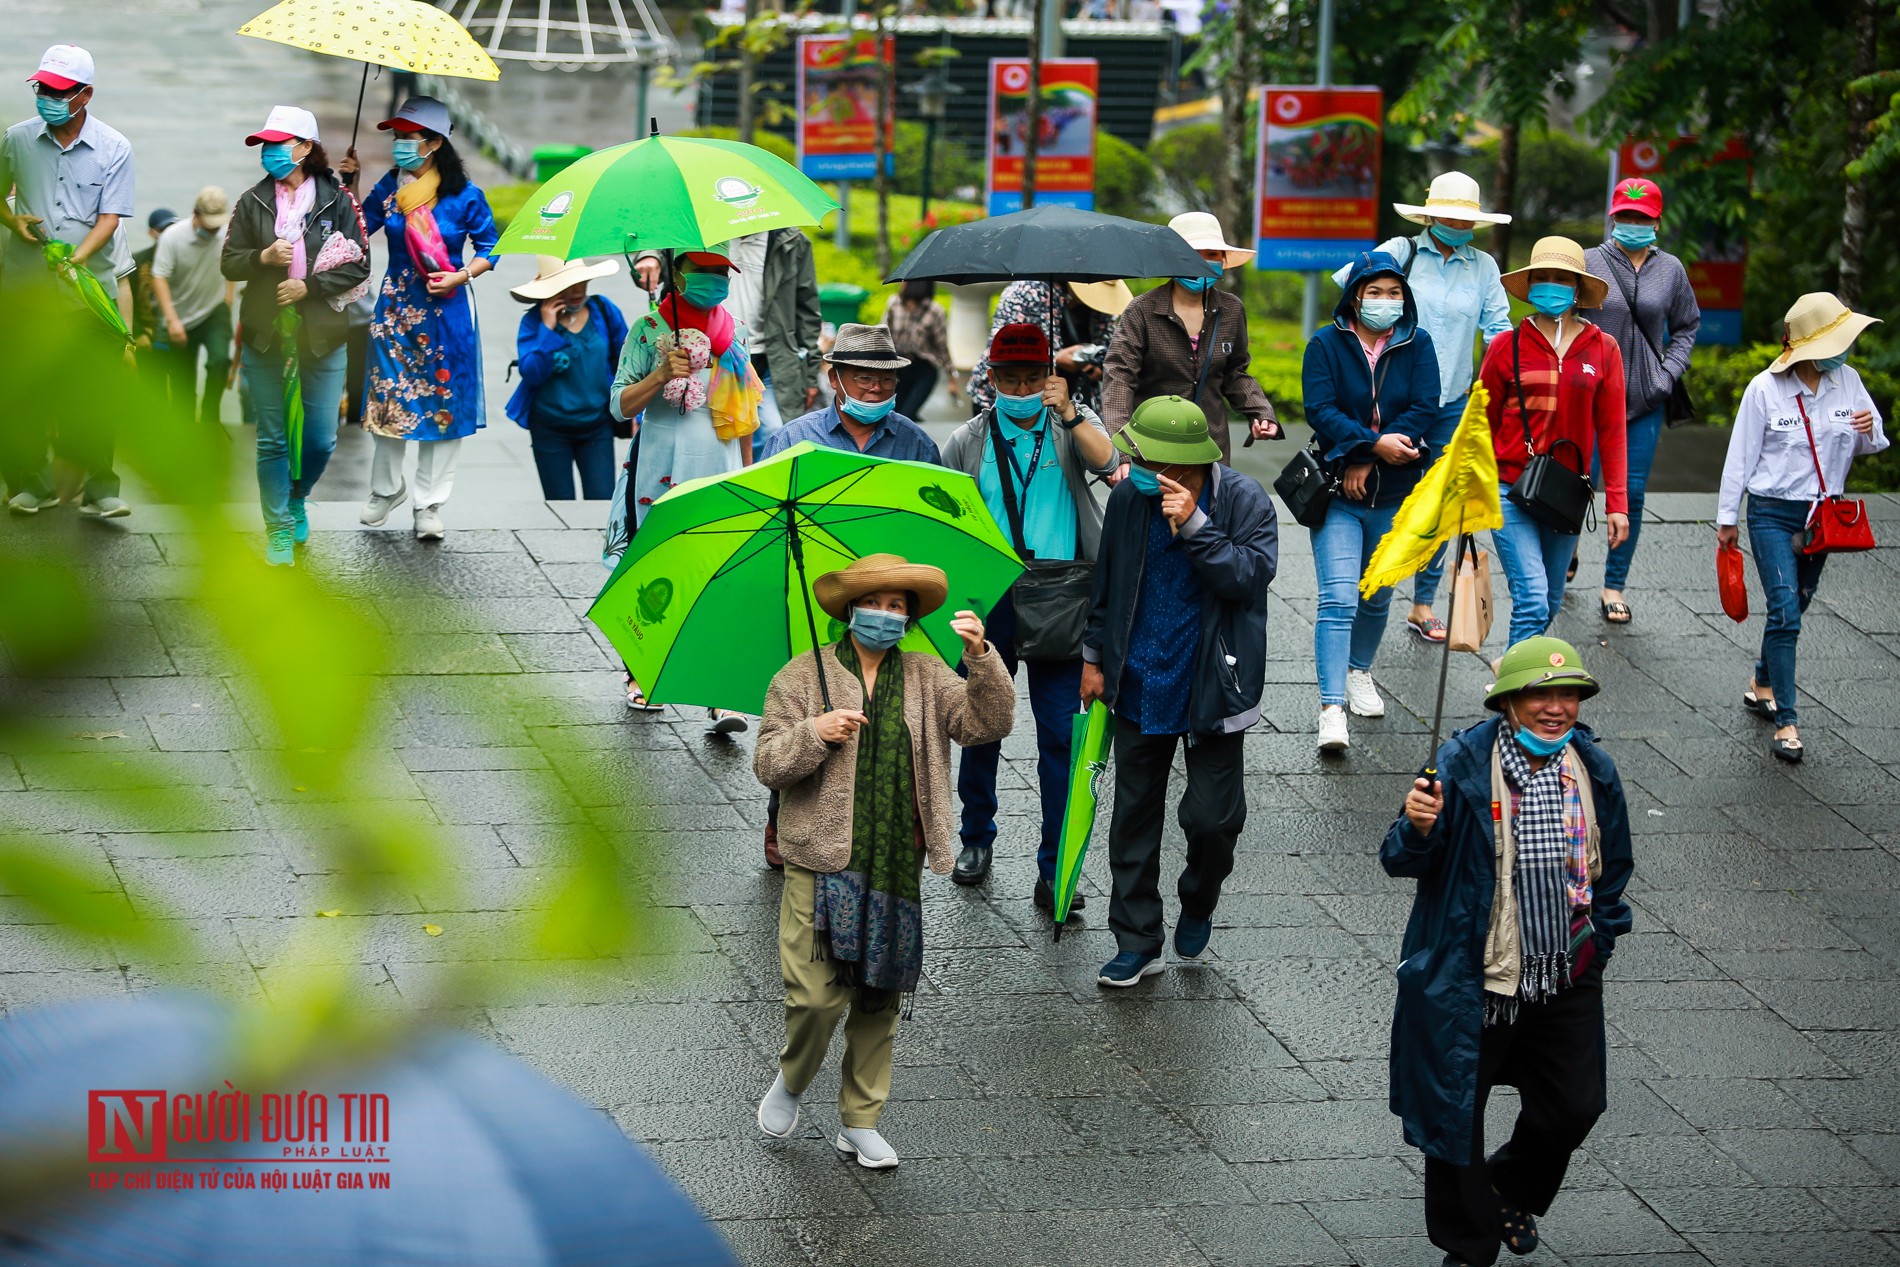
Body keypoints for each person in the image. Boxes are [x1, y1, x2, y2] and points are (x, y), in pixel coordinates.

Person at [752, 555, 1014, 1170]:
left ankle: (860, 1120)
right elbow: (767, 764)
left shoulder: (926, 674)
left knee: (879, 996)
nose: (888, 616)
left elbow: (987, 723)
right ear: (851, 610)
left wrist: (982, 658)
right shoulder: (800, 676)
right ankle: (792, 1081)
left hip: (896, 863)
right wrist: (816, 731)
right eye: (878, 604)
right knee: (816, 999)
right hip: (820, 862)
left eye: (900, 607)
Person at [1382, 636, 1633, 1267]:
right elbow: (1400, 859)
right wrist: (1417, 828)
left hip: (1564, 968)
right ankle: (1468, 1244)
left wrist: (1598, 939)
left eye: (1567, 695)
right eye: (1540, 695)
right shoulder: (1462, 765)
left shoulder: (1593, 768)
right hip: (1475, 973)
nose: (1556, 708)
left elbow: (1615, 865)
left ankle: (1509, 1188)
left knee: (1575, 1104)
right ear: (1510, 703)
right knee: (1453, 1115)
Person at [1080, 396, 1278, 985]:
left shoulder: (1244, 500)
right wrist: (1094, 656)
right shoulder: (1126, 498)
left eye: (1154, 462)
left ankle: (1199, 896)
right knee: (1134, 814)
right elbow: (1107, 579)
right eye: (1139, 457)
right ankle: (1137, 938)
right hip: (1139, 676)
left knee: (1214, 820)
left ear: (1190, 466)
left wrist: (1194, 523)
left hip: (1214, 681)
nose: (1140, 469)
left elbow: (1247, 577)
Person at [939, 323, 1120, 906]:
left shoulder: (1070, 426)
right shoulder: (969, 439)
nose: (1019, 388)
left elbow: (1110, 457)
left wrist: (1068, 410)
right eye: (1008, 378)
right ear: (991, 379)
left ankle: (1054, 861)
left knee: (1060, 735)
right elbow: (947, 514)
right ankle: (975, 837)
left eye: (1030, 377)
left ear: (1049, 376)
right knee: (982, 725)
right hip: (992, 600)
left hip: (1064, 595)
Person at [1335, 172, 1513, 644]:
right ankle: (1361, 588)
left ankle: (1422, 602)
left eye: (1465, 216)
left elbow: (1498, 329)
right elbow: (1349, 298)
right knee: (1376, 496)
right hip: (1387, 402)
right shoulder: (1399, 252)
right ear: (1430, 213)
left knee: (1439, 504)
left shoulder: (1484, 267)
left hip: (1451, 403)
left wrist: (1499, 386)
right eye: (1449, 213)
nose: (1457, 221)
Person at [1717, 293, 1886, 764]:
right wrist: (1727, 519)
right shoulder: (1764, 389)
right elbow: (1740, 458)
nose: (1844, 350)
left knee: (1797, 605)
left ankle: (1762, 680)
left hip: (1822, 515)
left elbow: (1873, 443)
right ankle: (1787, 720)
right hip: (1771, 512)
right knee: (1786, 609)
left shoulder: (1847, 381)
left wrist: (1870, 427)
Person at [613, 248, 764, 732]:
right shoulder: (647, 331)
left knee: (716, 571)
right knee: (654, 566)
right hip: (659, 460)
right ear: (679, 275)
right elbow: (618, 405)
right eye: (706, 273)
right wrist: (661, 375)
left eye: (723, 274)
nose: (717, 281)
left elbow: (744, 410)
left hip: (717, 459)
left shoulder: (733, 329)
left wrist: (748, 473)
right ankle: (644, 671)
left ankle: (718, 691)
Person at [1305, 251, 1441, 752]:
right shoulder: (1325, 343)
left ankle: (1360, 671)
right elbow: (1320, 409)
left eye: (1394, 292)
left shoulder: (1417, 343)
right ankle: (1331, 707)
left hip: (1396, 491)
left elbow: (1426, 404)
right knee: (1339, 598)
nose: (1385, 301)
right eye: (1374, 292)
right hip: (1339, 492)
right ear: (1355, 295)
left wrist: (1384, 451)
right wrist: (1367, 446)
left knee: (1378, 594)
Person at [223, 106, 370, 566]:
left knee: (322, 439)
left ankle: (296, 497)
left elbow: (360, 264)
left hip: (322, 336)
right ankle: (278, 529)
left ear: (306, 148)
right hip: (266, 335)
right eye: (264, 145)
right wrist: (262, 258)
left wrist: (309, 287)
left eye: (279, 144)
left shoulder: (339, 200)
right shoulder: (252, 201)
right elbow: (230, 261)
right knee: (272, 439)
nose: (269, 152)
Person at [348, 96, 499, 542]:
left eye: (407, 138)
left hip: (446, 315)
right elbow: (358, 231)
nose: (399, 146)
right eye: (396, 138)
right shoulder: (389, 191)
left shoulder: (466, 197)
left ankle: (429, 503)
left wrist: (461, 274)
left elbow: (492, 248)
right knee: (390, 401)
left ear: (434, 143)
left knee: (443, 408)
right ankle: (385, 490)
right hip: (395, 311)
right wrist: (350, 186)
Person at [1, 44, 136, 519]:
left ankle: (101, 488)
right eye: (41, 88)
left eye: (59, 91)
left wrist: (77, 258)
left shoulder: (114, 147)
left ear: (85, 95)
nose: (47, 98)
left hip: (87, 292)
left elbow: (111, 217)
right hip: (25, 290)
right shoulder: (16, 139)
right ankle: (30, 484)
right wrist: (10, 220)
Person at [1479, 238, 1629, 651]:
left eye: (1561, 279)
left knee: (1550, 599)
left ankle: (1518, 678)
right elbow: (1482, 424)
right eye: (1541, 278)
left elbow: (1613, 431)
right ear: (1528, 286)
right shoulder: (1504, 347)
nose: (1551, 287)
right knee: (1530, 595)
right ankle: (1516, 690)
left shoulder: (1603, 349)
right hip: (1508, 487)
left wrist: (1618, 504)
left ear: (1578, 288)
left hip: (1567, 493)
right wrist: (1469, 487)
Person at [1582, 177, 1700, 624]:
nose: (1633, 223)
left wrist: (1667, 375)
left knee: (1630, 493)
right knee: (1578, 484)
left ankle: (1614, 584)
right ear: (1613, 217)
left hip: (1643, 401)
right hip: (1589, 397)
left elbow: (1687, 325)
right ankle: (1566, 551)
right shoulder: (1590, 262)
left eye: (1642, 218)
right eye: (1626, 216)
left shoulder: (1671, 269)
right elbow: (1564, 316)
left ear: (1656, 221)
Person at [1101, 212, 1281, 461]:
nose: (1203, 262)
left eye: (1212, 254)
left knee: (1214, 500)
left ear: (1223, 259)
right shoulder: (1142, 310)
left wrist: (1261, 413)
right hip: (1152, 445)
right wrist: (1121, 452)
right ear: (1172, 257)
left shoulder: (1231, 309)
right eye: (1192, 253)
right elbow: (1119, 378)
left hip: (1210, 445)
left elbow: (1235, 372)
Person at [506, 255, 629, 500]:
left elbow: (627, 362)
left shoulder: (603, 310)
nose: (576, 290)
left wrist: (634, 410)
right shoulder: (532, 321)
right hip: (550, 428)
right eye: (567, 285)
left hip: (597, 425)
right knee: (560, 508)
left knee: (602, 503)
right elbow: (531, 373)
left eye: (581, 282)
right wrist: (547, 329)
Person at [759, 323, 940, 464]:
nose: (876, 388)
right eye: (864, 378)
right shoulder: (793, 439)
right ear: (834, 379)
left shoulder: (916, 444)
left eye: (887, 379)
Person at [969, 278, 1125, 417]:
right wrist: (1055, 359)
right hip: (1014, 398)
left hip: (1073, 398)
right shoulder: (1028, 292)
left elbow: (1108, 347)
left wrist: (1099, 366)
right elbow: (1005, 349)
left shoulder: (1103, 311)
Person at [721, 228, 822, 433]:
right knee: (724, 430)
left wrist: (810, 376)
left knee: (774, 430)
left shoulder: (792, 242)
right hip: (717, 355)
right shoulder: (706, 235)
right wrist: (649, 257)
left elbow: (807, 312)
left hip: (770, 360)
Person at [152, 187, 236, 427]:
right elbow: (159, 277)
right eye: (208, 224)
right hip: (180, 315)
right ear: (195, 214)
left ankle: (210, 420)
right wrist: (171, 320)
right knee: (182, 385)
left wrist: (228, 300)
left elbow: (234, 264)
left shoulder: (228, 233)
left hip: (215, 310)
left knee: (220, 360)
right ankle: (186, 432)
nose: (212, 230)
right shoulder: (173, 237)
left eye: (216, 225)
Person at [882, 279, 959, 420]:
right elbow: (883, 334)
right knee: (891, 413)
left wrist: (952, 378)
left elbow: (942, 347)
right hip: (897, 366)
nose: (902, 284)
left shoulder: (935, 311)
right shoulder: (894, 303)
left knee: (906, 416)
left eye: (905, 282)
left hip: (923, 369)